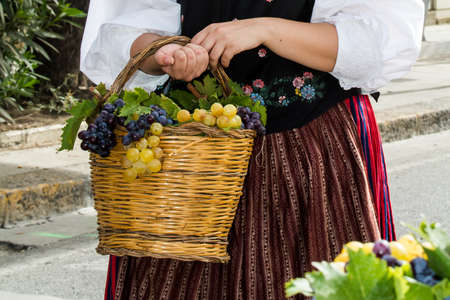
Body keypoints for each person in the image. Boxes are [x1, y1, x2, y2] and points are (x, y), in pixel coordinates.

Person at [81, 0, 424, 299]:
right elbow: (125, 28)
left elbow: (378, 41)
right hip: (194, 165)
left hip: (313, 148)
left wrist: (264, 29)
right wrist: (164, 53)